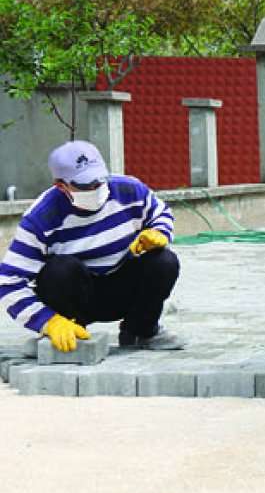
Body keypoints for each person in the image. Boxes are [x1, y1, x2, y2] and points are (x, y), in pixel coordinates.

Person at [0, 141, 183, 352]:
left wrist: (159, 232)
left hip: (122, 288)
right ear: (61, 185)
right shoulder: (41, 218)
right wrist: (47, 321)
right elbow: (9, 282)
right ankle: (70, 333)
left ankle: (140, 331)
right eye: (86, 185)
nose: (96, 188)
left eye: (100, 180)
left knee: (164, 261)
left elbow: (161, 214)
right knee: (59, 270)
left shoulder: (129, 190)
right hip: (77, 295)